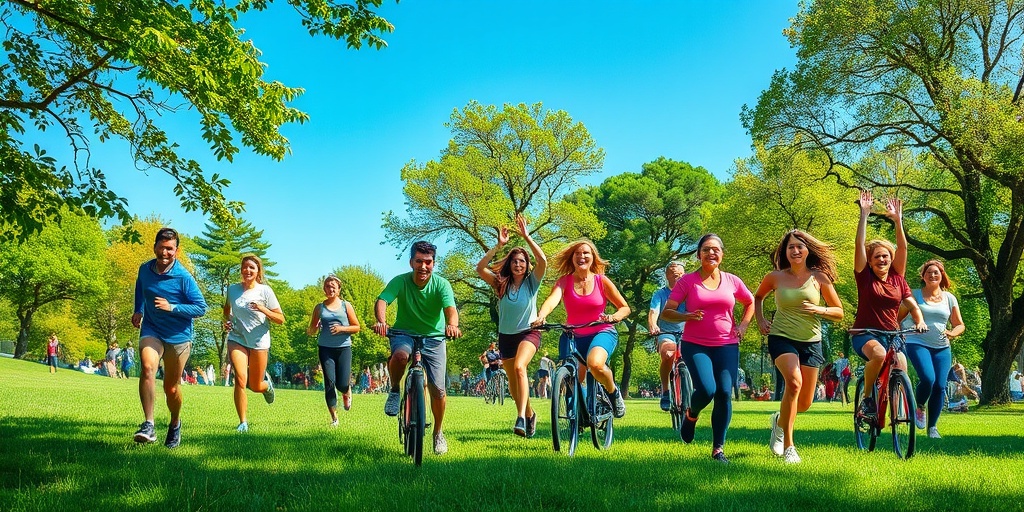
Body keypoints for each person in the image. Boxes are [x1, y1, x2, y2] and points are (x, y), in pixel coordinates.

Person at [661, 233, 754, 464]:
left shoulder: (732, 280)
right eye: (706, 250)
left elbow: (750, 302)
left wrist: (743, 325)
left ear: (722, 254)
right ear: (699, 254)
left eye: (716, 250)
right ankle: (691, 414)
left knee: (724, 392)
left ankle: (718, 450)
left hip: (727, 344)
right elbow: (667, 311)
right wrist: (687, 315)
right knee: (707, 389)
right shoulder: (687, 281)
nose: (711, 253)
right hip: (695, 344)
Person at [753, 229, 844, 464]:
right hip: (781, 337)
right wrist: (761, 320)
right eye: (791, 247)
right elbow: (758, 297)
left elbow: (839, 312)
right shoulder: (775, 277)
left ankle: (778, 421)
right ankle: (790, 447)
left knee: (803, 403)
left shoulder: (819, 277)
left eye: (800, 246)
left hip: (812, 342)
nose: (795, 250)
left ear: (807, 251)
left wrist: (819, 310)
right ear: (785, 251)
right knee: (793, 383)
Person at [374, 241, 461, 455]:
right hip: (404, 333)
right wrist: (382, 321)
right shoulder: (400, 281)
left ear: (434, 263)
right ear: (411, 262)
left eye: (428, 262)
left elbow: (451, 309)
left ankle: (438, 433)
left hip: (434, 338)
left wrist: (452, 325)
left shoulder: (441, 284)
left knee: (438, 390)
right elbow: (383, 300)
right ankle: (395, 391)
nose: (424, 267)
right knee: (401, 356)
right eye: (419, 261)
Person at [532, 239, 631, 418]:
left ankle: (613, 393)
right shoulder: (564, 281)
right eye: (577, 254)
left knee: (595, 364)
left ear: (593, 257)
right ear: (572, 259)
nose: (581, 257)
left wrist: (615, 317)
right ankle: (580, 413)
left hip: (601, 332)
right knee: (572, 379)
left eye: (586, 253)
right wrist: (542, 315)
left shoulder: (602, 281)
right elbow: (552, 300)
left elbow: (625, 307)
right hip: (574, 335)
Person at [851, 192, 928, 421]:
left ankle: (897, 414)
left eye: (885, 256)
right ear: (870, 261)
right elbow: (859, 244)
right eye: (877, 258)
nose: (882, 260)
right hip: (865, 333)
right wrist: (864, 214)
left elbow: (903, 249)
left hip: (892, 334)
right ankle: (867, 400)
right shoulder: (864, 277)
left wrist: (898, 220)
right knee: (878, 354)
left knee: (901, 366)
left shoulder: (897, 277)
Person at [131, 227, 208, 448]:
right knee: (147, 368)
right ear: (154, 246)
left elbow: (200, 307)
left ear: (176, 250)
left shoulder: (183, 277)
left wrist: (172, 307)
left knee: (171, 388)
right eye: (162, 248)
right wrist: (139, 310)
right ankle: (149, 424)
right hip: (152, 329)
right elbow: (141, 287)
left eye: (170, 249)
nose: (165, 253)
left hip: (178, 337)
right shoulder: (145, 269)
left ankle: (175, 423)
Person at [475, 213, 547, 437]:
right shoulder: (500, 284)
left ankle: (520, 419)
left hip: (528, 333)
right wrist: (498, 246)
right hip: (506, 337)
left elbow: (543, 261)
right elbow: (479, 268)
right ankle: (529, 413)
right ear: (510, 264)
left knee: (519, 368)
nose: (518, 264)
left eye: (522, 262)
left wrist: (527, 237)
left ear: (527, 266)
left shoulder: (532, 283)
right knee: (515, 388)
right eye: (515, 261)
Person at [901, 259, 965, 439]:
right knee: (928, 378)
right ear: (923, 276)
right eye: (929, 272)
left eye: (936, 272)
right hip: (916, 341)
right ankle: (920, 406)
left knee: (940, 386)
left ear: (942, 275)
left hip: (942, 346)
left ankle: (932, 428)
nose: (933, 275)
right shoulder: (913, 295)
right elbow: (898, 317)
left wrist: (953, 333)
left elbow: (959, 324)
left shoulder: (950, 298)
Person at [223, 254, 285, 433]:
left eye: (252, 268)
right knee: (240, 379)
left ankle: (267, 386)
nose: (247, 270)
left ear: (258, 272)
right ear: (241, 270)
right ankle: (243, 423)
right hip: (237, 338)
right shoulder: (232, 290)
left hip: (259, 340)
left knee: (255, 385)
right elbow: (227, 310)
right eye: (245, 267)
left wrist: (262, 308)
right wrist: (227, 320)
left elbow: (280, 319)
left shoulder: (265, 291)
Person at [307, 274, 361, 426]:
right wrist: (314, 328)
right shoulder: (319, 307)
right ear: (324, 289)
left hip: (344, 348)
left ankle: (346, 391)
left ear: (338, 289)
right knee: (330, 383)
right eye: (327, 287)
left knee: (342, 384)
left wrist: (341, 329)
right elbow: (310, 330)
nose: (330, 289)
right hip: (325, 348)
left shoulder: (346, 306)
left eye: (333, 287)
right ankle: (334, 419)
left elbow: (357, 327)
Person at [648, 261, 688, 411]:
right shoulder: (660, 294)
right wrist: (653, 325)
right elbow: (653, 312)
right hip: (667, 333)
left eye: (680, 275)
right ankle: (665, 391)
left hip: (689, 334)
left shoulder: (691, 292)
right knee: (668, 354)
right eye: (674, 274)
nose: (678, 278)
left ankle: (691, 388)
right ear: (667, 276)